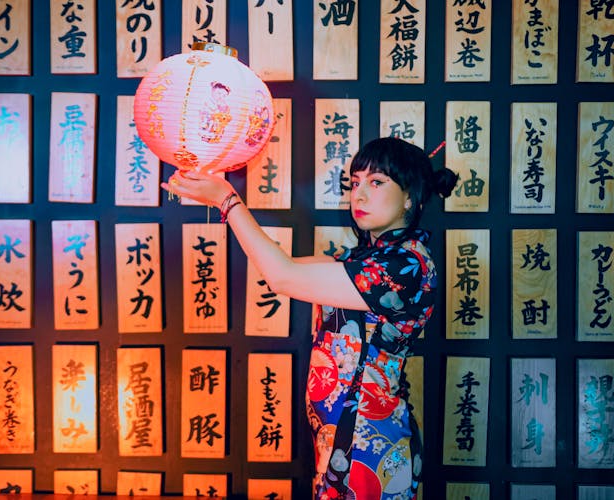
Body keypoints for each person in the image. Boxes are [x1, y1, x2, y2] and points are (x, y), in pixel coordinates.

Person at [162, 137, 458, 500]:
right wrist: (213, 184)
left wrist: (227, 200)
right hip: (343, 440)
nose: (359, 195)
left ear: (410, 196)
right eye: (355, 182)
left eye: (377, 182)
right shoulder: (367, 260)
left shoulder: (405, 266)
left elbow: (282, 275)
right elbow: (280, 268)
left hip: (368, 444)